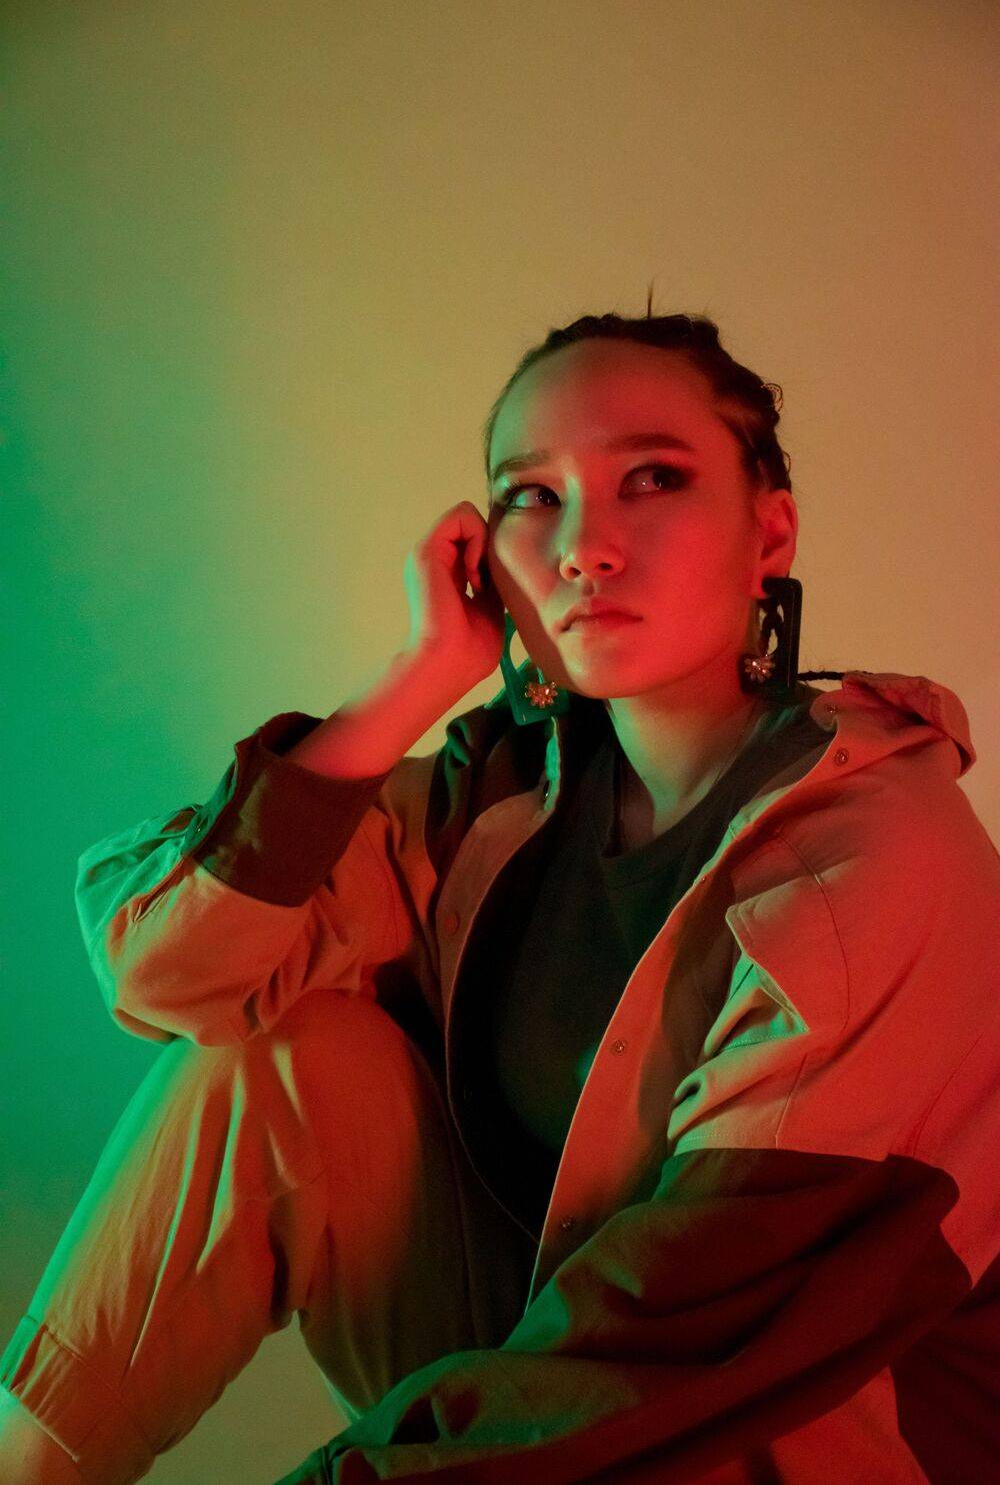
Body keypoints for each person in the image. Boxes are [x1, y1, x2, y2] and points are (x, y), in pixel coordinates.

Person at [1, 307, 996, 1484]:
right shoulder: (503, 797)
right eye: (532, 495)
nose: (583, 547)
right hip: (548, 1377)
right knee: (280, 1059)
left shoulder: (875, 861)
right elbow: (169, 976)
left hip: (789, 1432)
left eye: (652, 478)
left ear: (767, 531)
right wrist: (417, 677)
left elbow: (686, 1346)